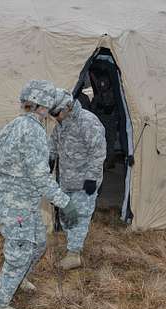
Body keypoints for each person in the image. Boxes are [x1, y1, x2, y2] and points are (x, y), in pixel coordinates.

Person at [0, 80, 79, 309]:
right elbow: (40, 176)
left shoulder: (10, 127)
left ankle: (20, 278)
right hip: (18, 205)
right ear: (44, 106)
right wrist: (64, 202)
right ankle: (0, 303)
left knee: (38, 243)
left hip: (19, 203)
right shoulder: (34, 131)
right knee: (20, 251)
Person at [49, 88, 106, 270]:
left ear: (67, 106)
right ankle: (72, 244)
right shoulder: (62, 123)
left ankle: (74, 254)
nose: (55, 117)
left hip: (85, 181)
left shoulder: (88, 122)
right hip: (66, 179)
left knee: (80, 216)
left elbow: (98, 154)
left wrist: (91, 179)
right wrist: (49, 161)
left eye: (56, 113)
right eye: (52, 114)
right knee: (68, 214)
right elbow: (54, 145)